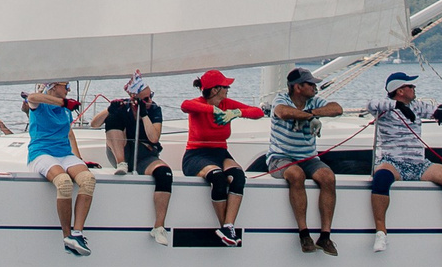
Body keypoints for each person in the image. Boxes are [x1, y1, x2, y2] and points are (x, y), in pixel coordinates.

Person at [366, 69, 442, 253]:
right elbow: (370, 104)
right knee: (381, 179)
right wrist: (397, 106)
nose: (414, 88)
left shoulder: (417, 106)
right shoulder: (385, 108)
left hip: (419, 164)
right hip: (392, 161)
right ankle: (381, 233)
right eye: (410, 86)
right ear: (400, 90)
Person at [179, 69, 266, 246]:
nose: (228, 90)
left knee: (238, 176)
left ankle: (228, 227)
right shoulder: (198, 104)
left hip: (220, 152)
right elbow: (185, 105)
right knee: (218, 178)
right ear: (215, 89)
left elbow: (258, 112)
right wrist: (213, 110)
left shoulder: (227, 104)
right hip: (196, 154)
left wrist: (237, 113)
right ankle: (224, 227)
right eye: (225, 87)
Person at [266, 68, 344, 255]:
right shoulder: (281, 99)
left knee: (328, 177)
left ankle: (325, 236)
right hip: (280, 157)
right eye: (310, 84)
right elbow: (283, 112)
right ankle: (304, 234)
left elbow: (337, 109)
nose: (314, 87)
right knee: (296, 174)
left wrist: (310, 113)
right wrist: (310, 116)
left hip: (308, 157)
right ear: (297, 87)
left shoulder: (313, 101)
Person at [24, 81, 98, 256]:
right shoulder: (40, 104)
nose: (68, 89)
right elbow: (31, 98)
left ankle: (77, 234)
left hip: (64, 153)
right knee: (64, 182)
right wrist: (63, 102)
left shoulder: (66, 110)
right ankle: (67, 236)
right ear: (55, 86)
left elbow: (70, 134)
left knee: (88, 180)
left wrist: (79, 160)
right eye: (66, 86)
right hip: (41, 152)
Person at [101, 76, 174, 246]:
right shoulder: (123, 106)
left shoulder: (154, 109)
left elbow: (154, 138)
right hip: (121, 152)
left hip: (145, 155)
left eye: (151, 96)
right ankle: (121, 164)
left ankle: (159, 226)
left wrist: (144, 114)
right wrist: (109, 109)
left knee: (165, 173)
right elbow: (94, 123)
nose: (150, 101)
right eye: (145, 99)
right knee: (112, 118)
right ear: (134, 98)